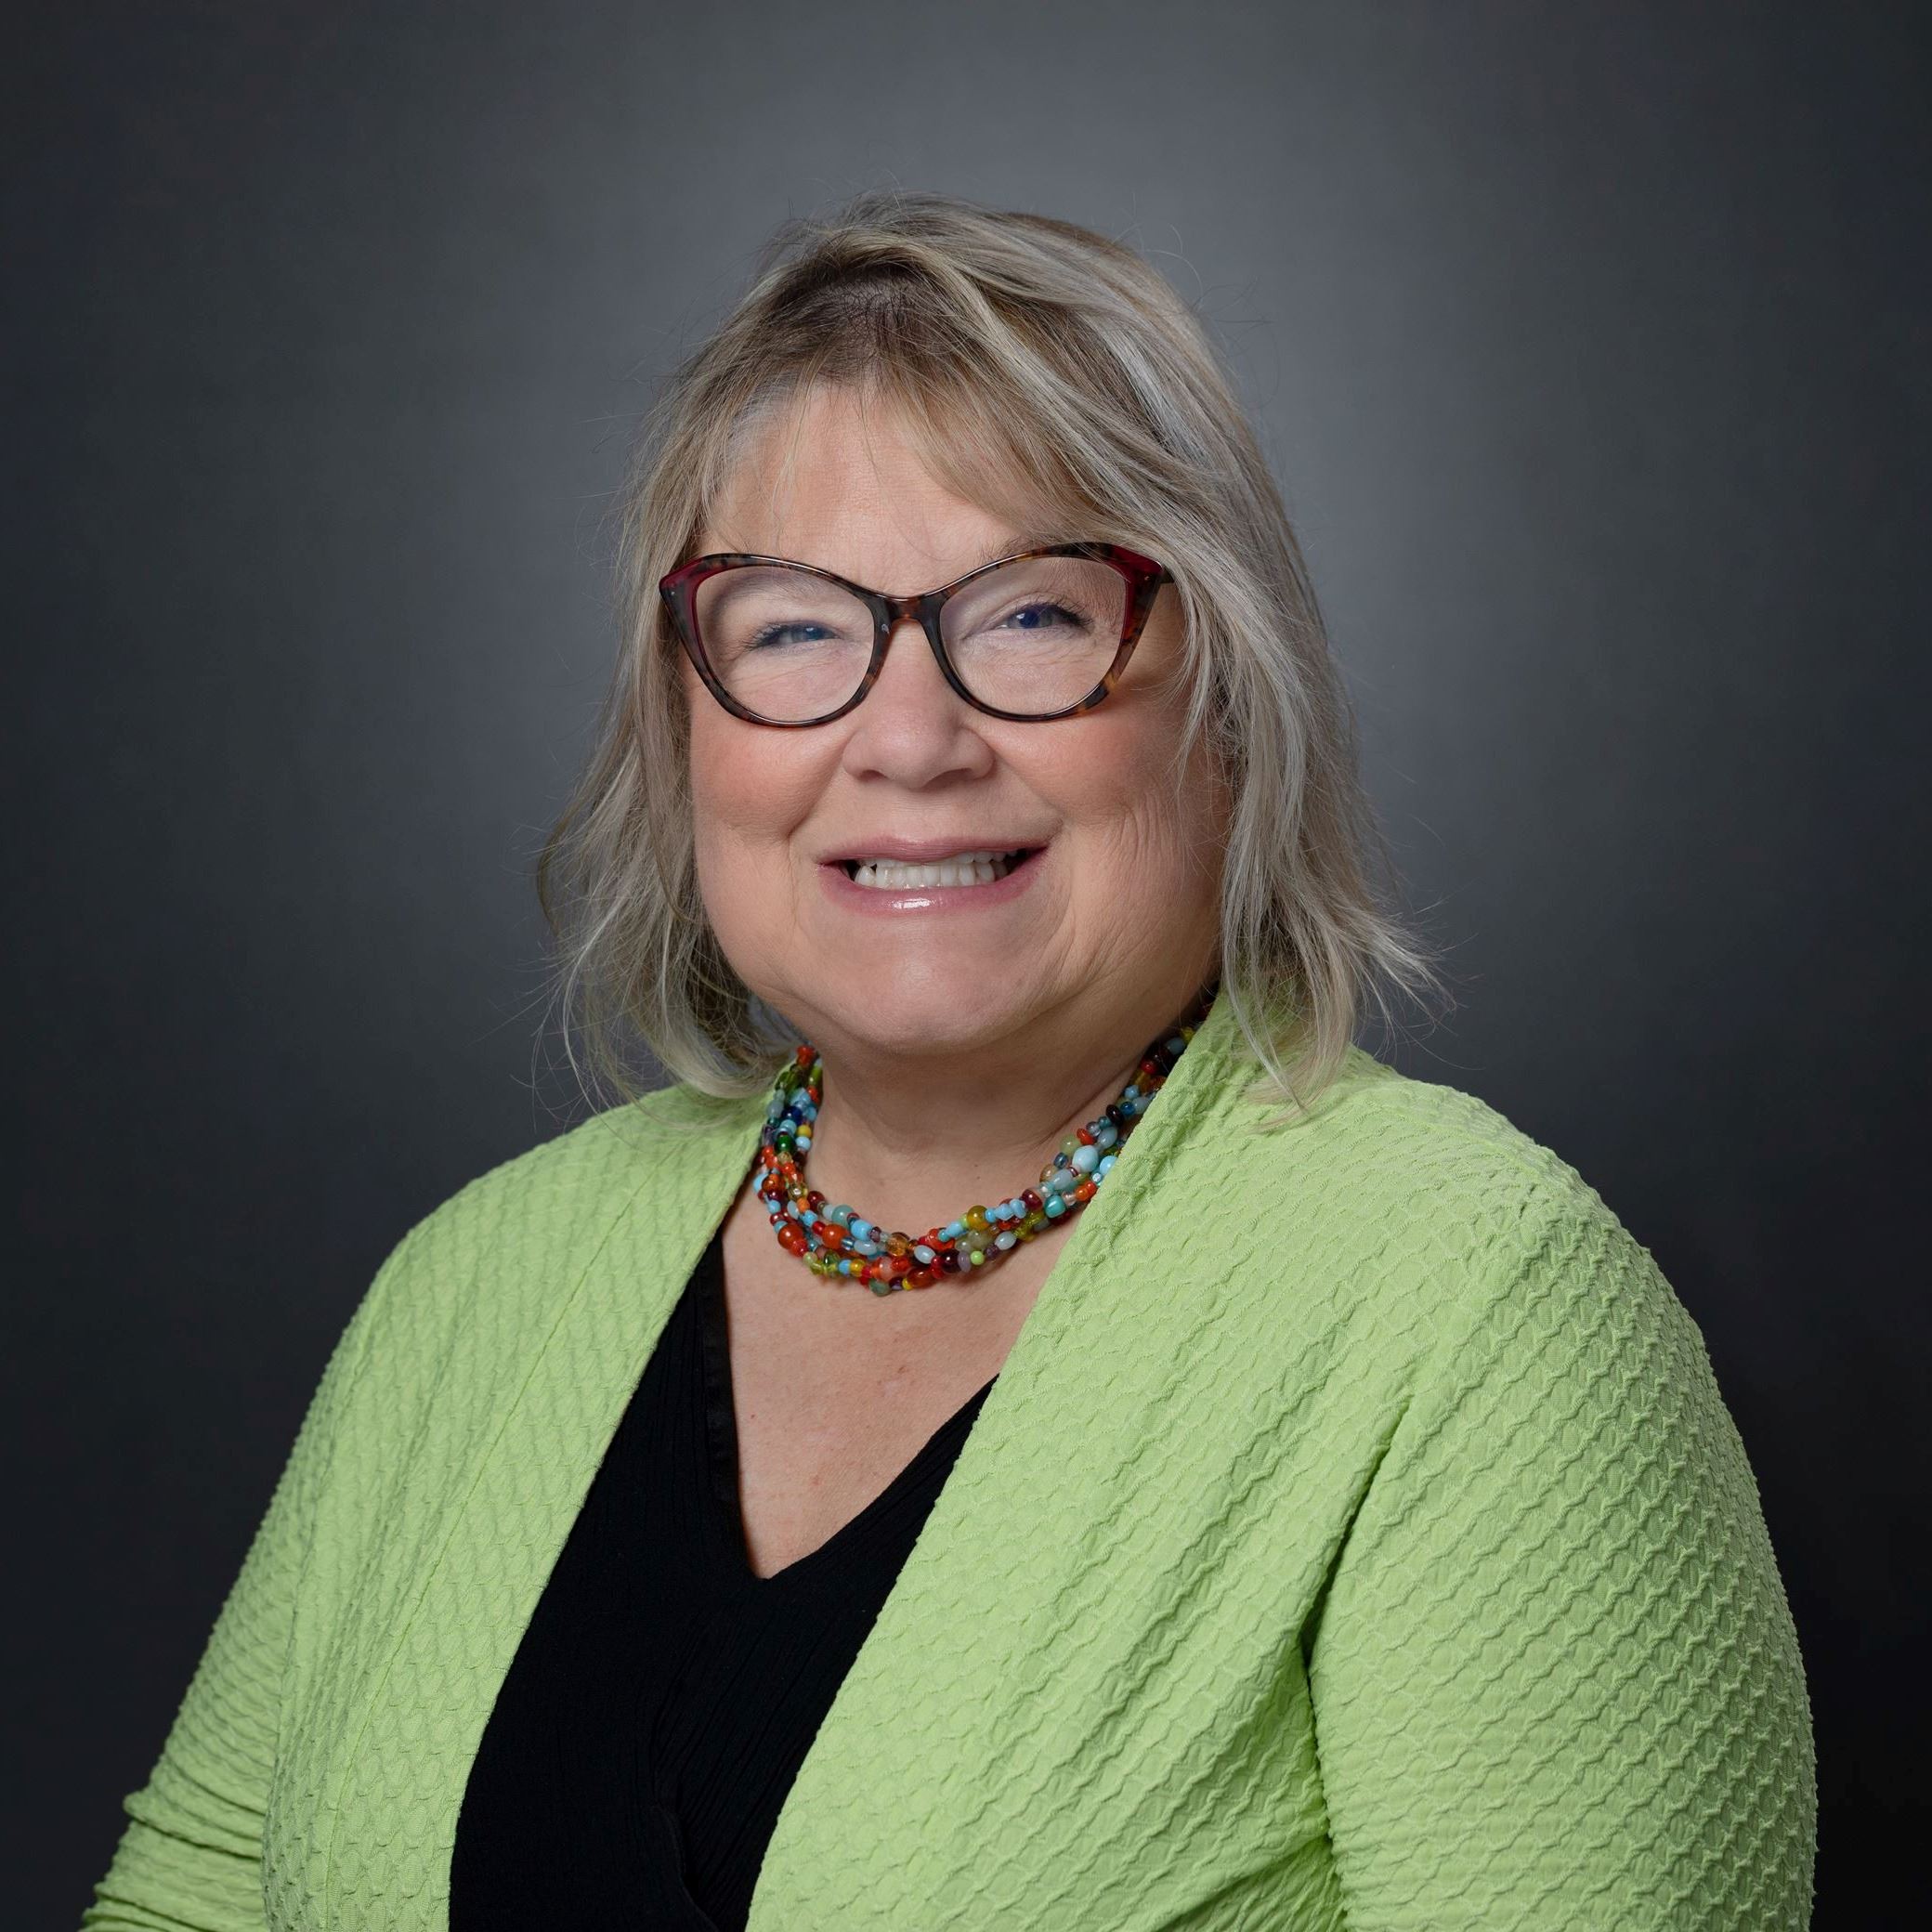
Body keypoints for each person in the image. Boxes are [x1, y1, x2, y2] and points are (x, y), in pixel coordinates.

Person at [79, 191, 1816, 1932]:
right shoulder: (472, 1286)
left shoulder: (1475, 1303)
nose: (909, 739)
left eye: (1038, 617)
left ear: (1228, 695)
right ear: (686, 732)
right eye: (792, 630)